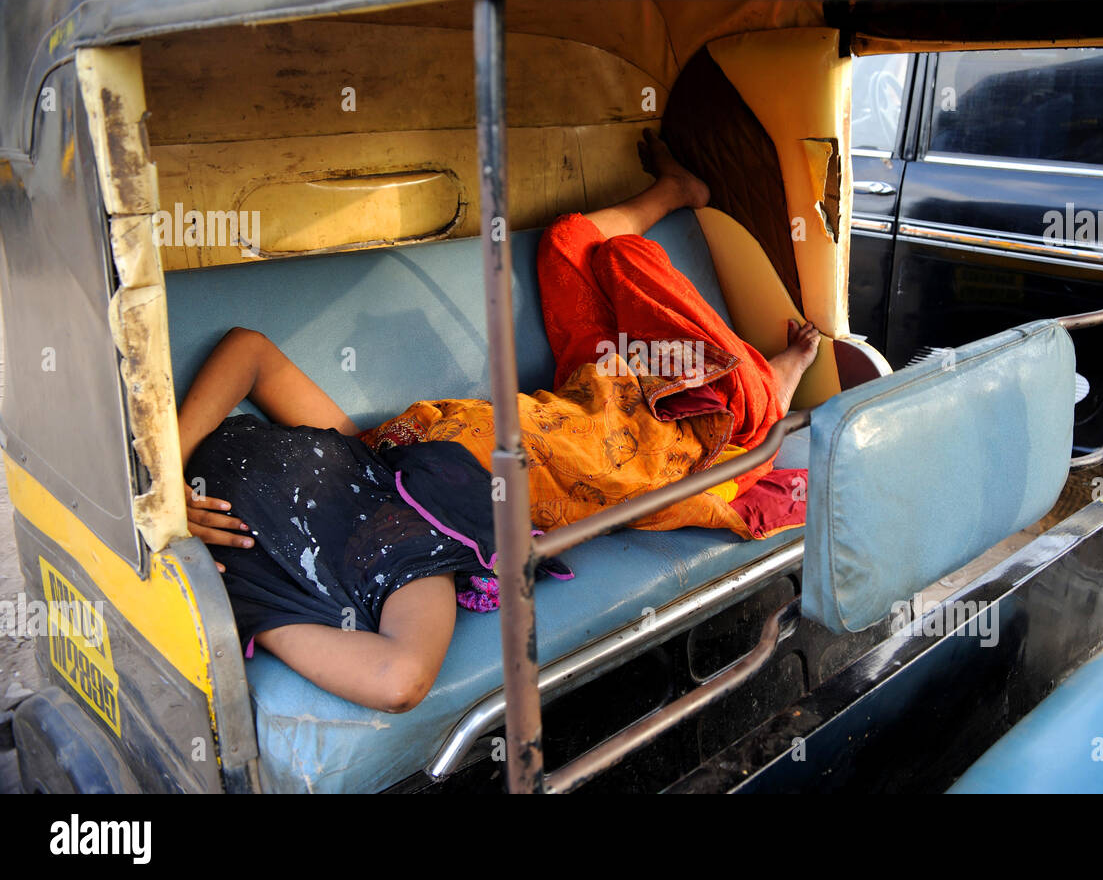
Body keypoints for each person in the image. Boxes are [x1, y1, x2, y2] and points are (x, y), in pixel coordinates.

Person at [180, 132, 820, 713]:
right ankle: (777, 380)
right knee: (646, 284)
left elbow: (249, 351)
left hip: (585, 389)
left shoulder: (365, 451)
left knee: (568, 241)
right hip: (665, 431)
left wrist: (158, 490)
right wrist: (247, 611)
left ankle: (682, 193)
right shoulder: (413, 554)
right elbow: (399, 679)